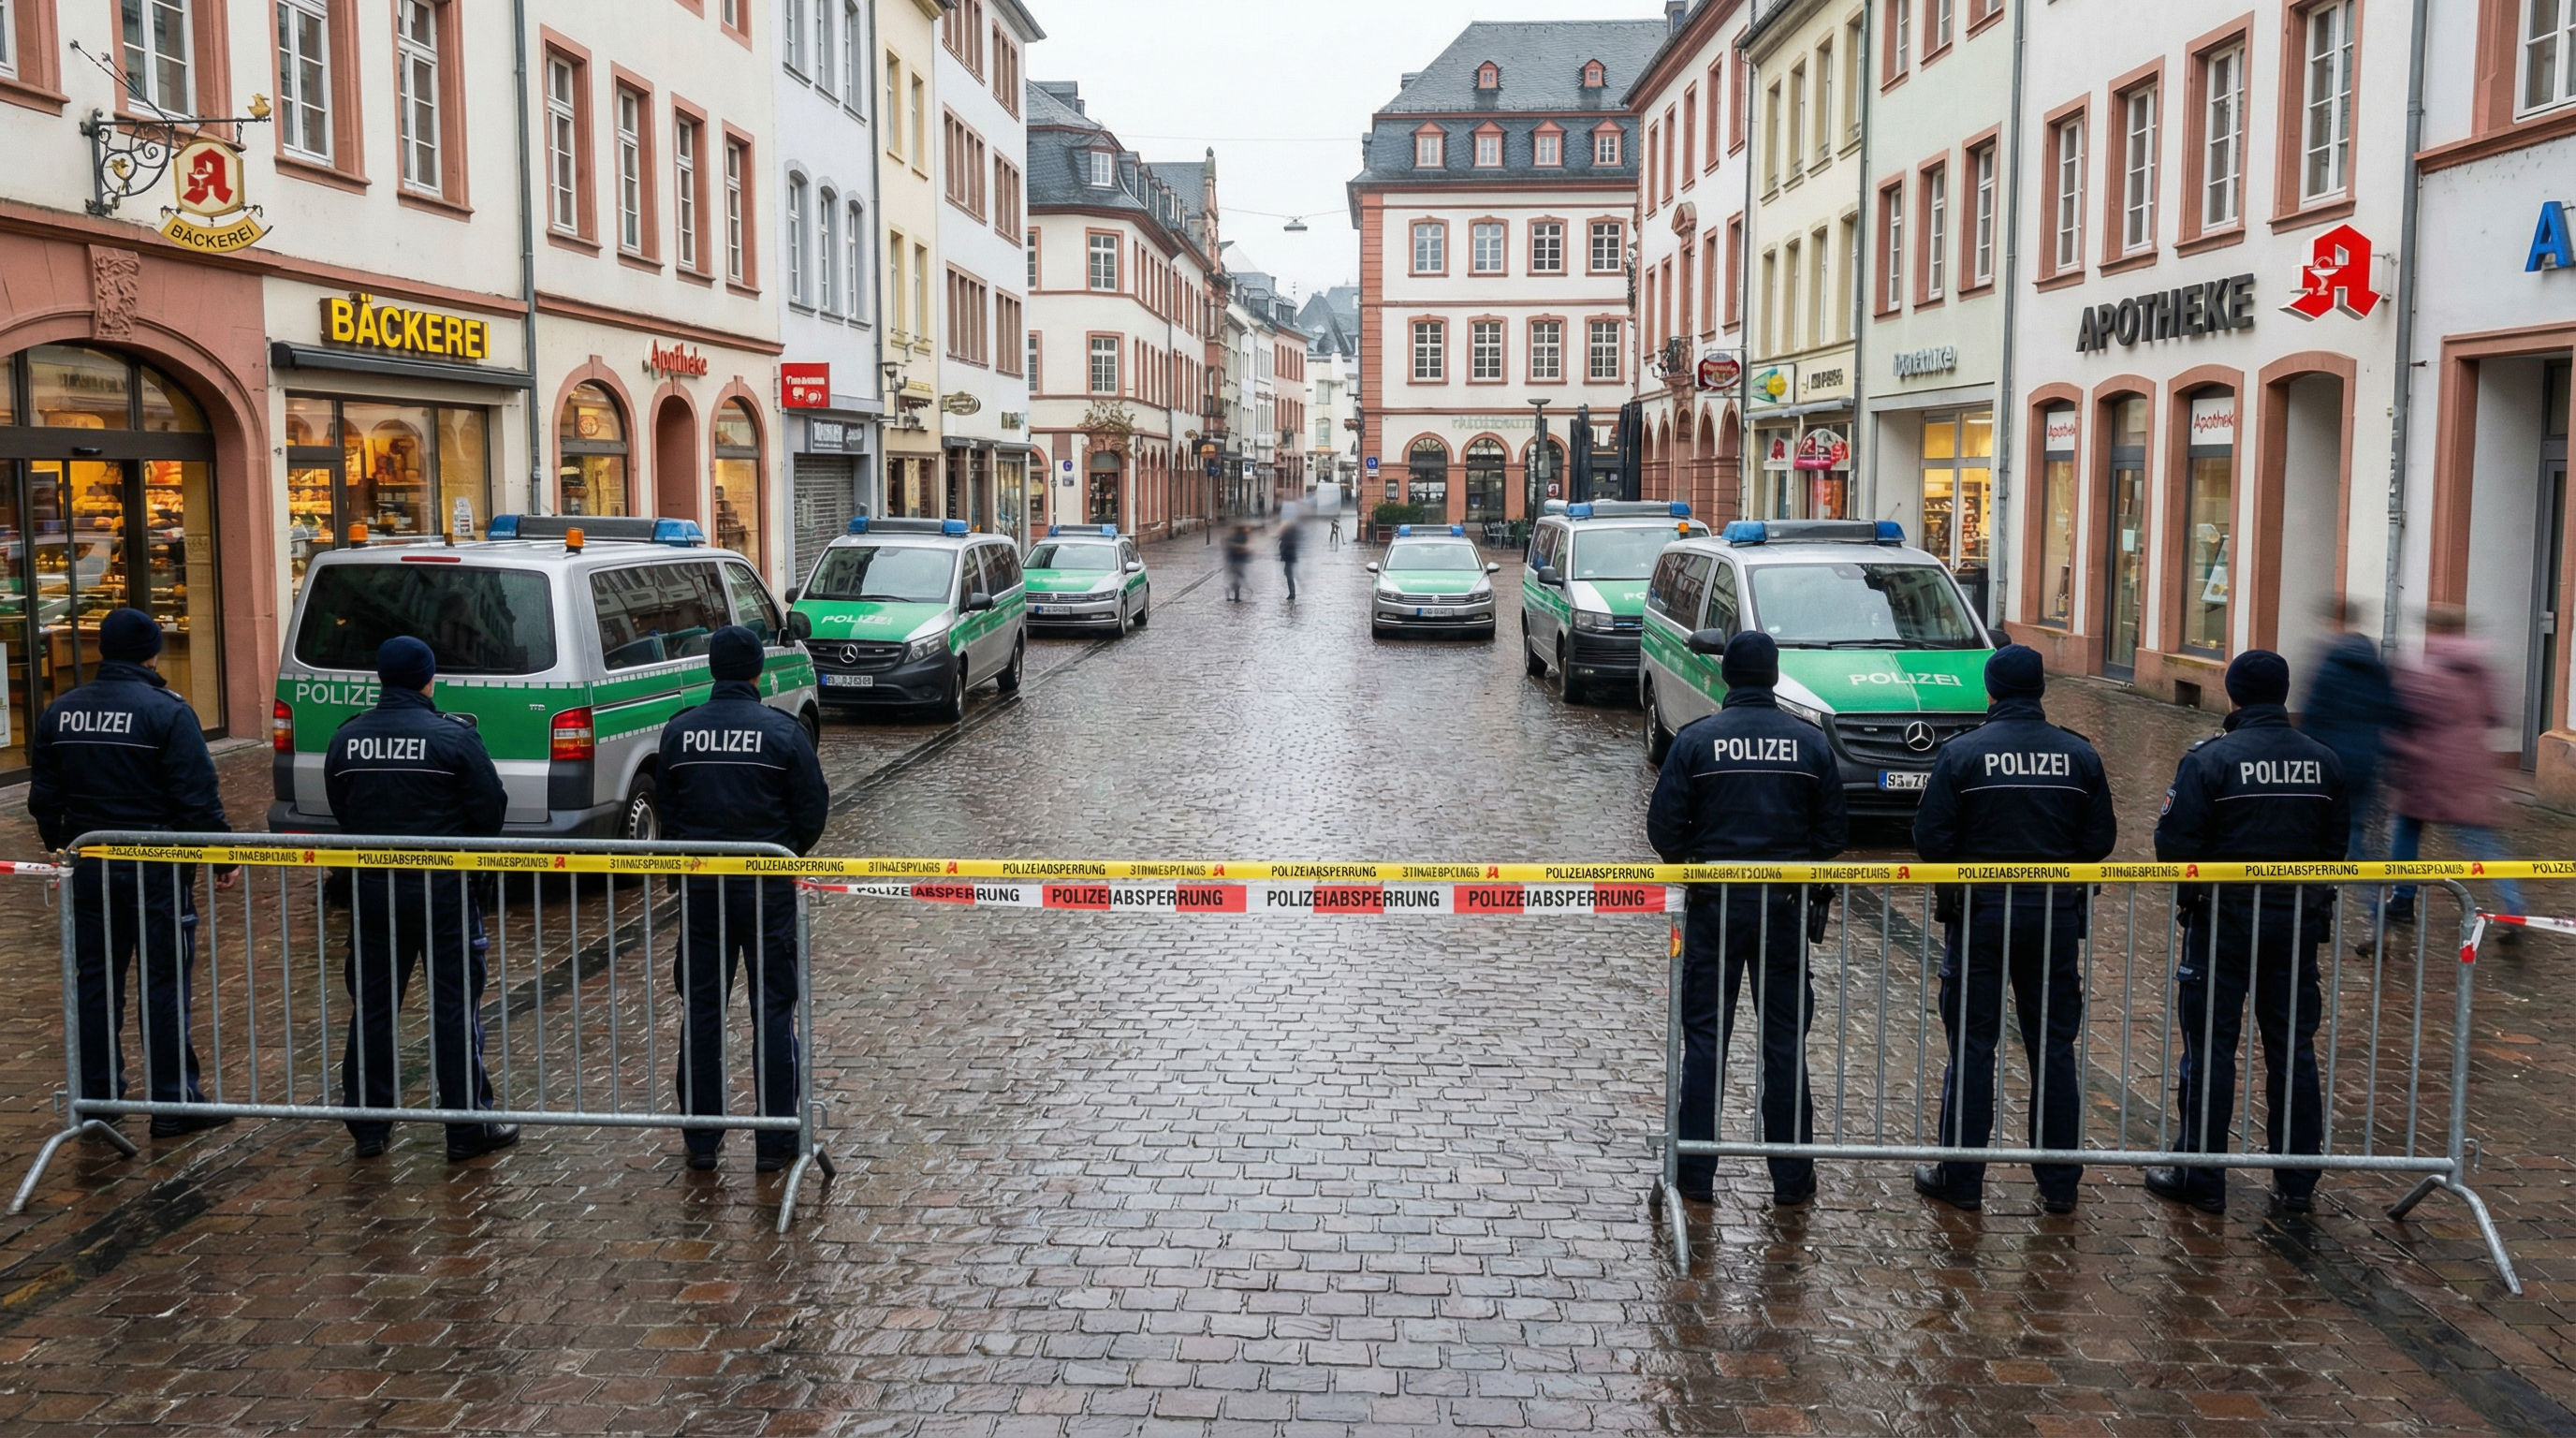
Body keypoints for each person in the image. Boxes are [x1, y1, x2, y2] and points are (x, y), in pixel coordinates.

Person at [1910, 645, 2117, 1214]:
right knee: (2053, 1050)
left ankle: (1962, 1180)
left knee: (1973, 1049)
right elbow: (2099, 840)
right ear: (2041, 690)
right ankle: (2060, 1186)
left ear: (1992, 691)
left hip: (1980, 917)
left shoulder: (1963, 753)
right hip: (2053, 918)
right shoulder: (2078, 754)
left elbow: (1931, 840)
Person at [1646, 632, 1849, 1208]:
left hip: (1714, 907)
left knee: (1706, 1041)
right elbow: (1834, 834)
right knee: (1784, 1043)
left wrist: (1697, 863)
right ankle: (1792, 1178)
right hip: (1783, 910)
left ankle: (1695, 1175)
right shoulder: (1809, 743)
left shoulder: (1696, 740)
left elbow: (1663, 830)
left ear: (1727, 677)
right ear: (1775, 676)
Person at [2148, 650, 2349, 1215]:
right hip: (2295, 927)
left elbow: (2174, 847)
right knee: (2292, 1050)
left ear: (2233, 694)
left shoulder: (2210, 759)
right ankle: (2297, 1183)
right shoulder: (2324, 761)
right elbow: (2335, 849)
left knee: (2210, 1049)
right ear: (2283, 693)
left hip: (2223, 925)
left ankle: (2203, 1177)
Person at [28, 608, 236, 1137]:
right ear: (152, 653)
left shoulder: (61, 711)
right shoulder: (168, 711)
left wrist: (64, 848)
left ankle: (98, 1099)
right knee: (163, 984)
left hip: (90, 865)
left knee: (95, 984)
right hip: (156, 870)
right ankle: (174, 1103)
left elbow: (43, 798)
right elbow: (196, 797)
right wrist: (222, 855)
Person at [324, 636, 515, 1162]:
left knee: (374, 1009)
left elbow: (342, 807)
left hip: (372, 892)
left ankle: (368, 1127)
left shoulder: (348, 738)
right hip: (442, 891)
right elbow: (490, 812)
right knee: (453, 1010)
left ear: (382, 678)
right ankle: (466, 1127)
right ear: (429, 679)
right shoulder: (453, 737)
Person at [657, 625, 830, 1172]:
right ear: (758, 671)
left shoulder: (680, 733)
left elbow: (669, 812)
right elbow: (812, 812)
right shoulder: (782, 732)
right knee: (773, 1012)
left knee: (702, 1011)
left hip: (702, 895)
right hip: (767, 894)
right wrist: (781, 852)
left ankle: (701, 1142)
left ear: (713, 669)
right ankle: (774, 1142)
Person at [2378, 604, 2523, 938]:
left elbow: (2403, 715)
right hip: (2470, 765)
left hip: (2426, 766)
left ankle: (2403, 899)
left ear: (2433, 630)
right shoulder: (2480, 668)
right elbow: (2493, 714)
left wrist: (2394, 747)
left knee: (2407, 829)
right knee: (2481, 839)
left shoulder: (2423, 670)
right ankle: (2514, 908)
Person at [2298, 598, 2396, 866]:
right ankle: (2368, 887)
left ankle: (2326, 883)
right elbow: (2390, 711)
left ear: (2336, 623)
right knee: (2357, 824)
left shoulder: (2329, 663)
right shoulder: (2375, 664)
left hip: (2329, 758)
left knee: (2323, 822)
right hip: (2365, 758)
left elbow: (2313, 713)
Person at [1225, 524, 1253, 602]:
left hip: (1235, 560)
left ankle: (1233, 594)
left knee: (1236, 577)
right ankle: (1236, 597)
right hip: (1238, 560)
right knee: (1238, 578)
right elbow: (1240, 548)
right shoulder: (1241, 537)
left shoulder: (1235, 536)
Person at [1278, 515, 1302, 602]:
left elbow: (1288, 546)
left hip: (1290, 558)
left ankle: (1292, 594)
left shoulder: (1290, 535)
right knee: (1289, 575)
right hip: (1288, 558)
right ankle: (1292, 593)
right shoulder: (1288, 534)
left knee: (1289, 575)